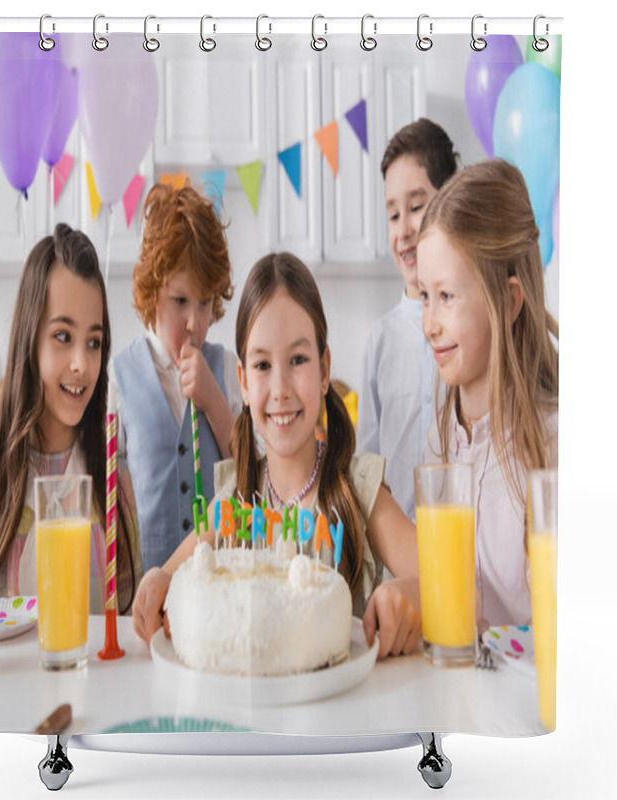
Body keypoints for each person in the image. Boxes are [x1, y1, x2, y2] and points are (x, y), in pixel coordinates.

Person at [133, 252, 422, 660]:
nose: (281, 388)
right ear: (244, 383)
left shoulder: (357, 488)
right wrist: (156, 582)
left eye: (299, 360)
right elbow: (169, 576)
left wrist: (412, 593)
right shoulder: (235, 497)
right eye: (263, 364)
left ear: (325, 370)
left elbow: (448, 582)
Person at [417, 159, 559, 627]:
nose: (429, 324)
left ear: (509, 300)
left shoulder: (554, 443)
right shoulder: (440, 441)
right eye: (424, 296)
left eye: (447, 297)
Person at [0, 223, 141, 613]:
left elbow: (125, 621)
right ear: (29, 338)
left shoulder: (113, 478)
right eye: (63, 336)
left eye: (94, 342)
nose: (81, 365)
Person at [111, 184, 242, 571]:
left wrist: (214, 401)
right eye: (180, 301)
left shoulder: (228, 370)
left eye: (205, 303)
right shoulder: (119, 378)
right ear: (152, 293)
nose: (194, 322)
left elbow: (254, 471)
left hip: (219, 582)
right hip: (145, 591)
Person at [357, 118, 460, 522]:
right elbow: (367, 468)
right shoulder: (379, 341)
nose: (404, 230)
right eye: (393, 214)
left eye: (416, 207)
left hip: (458, 545)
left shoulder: (468, 328)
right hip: (394, 563)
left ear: (450, 199)